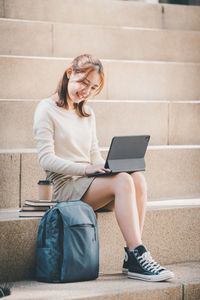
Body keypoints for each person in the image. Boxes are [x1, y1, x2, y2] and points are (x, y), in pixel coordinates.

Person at [33, 54, 174, 282]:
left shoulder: (87, 113)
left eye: (93, 87)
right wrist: (86, 169)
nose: (86, 91)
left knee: (136, 178)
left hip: (87, 185)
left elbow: (93, 155)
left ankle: (132, 257)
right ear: (70, 73)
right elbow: (46, 160)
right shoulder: (46, 109)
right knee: (123, 181)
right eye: (83, 83)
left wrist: (105, 166)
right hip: (64, 188)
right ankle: (137, 252)